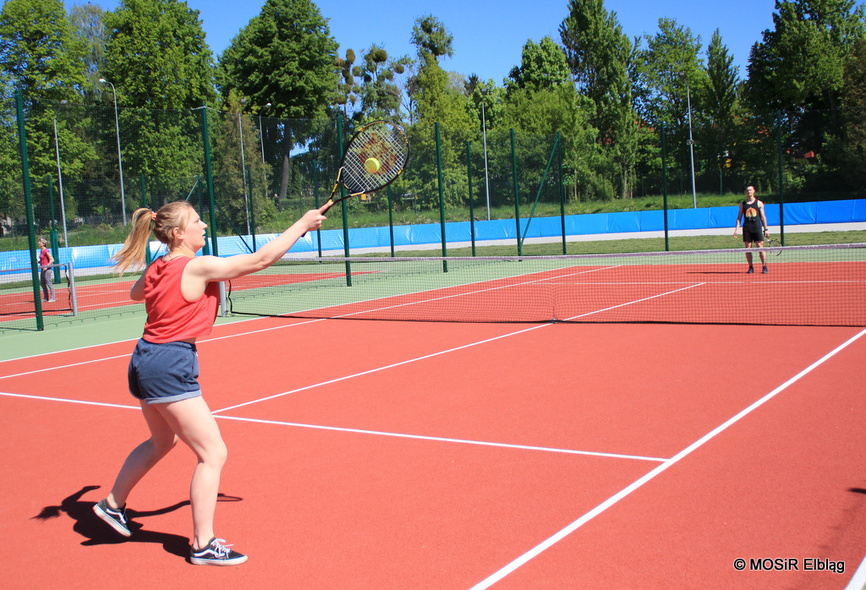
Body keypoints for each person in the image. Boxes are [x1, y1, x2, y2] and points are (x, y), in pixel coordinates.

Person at [93, 200, 327, 566]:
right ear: (178, 233)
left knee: (161, 441)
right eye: (197, 221)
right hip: (169, 363)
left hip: (144, 358)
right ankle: (202, 544)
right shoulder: (196, 266)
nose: (204, 225)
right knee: (213, 454)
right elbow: (260, 261)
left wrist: (162, 272)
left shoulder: (160, 264)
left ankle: (112, 504)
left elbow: (137, 293)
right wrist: (302, 225)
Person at [734, 185, 770, 274]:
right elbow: (739, 218)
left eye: (750, 190)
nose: (749, 192)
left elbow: (763, 217)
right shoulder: (743, 204)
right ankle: (750, 267)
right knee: (748, 248)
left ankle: (764, 266)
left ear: (754, 191)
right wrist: (736, 230)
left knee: (760, 247)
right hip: (747, 228)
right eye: (747, 190)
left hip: (757, 227)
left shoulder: (759, 203)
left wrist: (766, 229)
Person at [38, 237, 55, 302]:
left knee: (49, 283)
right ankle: (46, 297)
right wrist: (38, 262)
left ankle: (53, 298)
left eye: (40, 242)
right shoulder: (41, 251)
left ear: (43, 243)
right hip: (42, 269)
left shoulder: (46, 250)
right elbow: (42, 260)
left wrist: (47, 266)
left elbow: (52, 260)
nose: (39, 243)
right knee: (42, 283)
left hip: (47, 270)